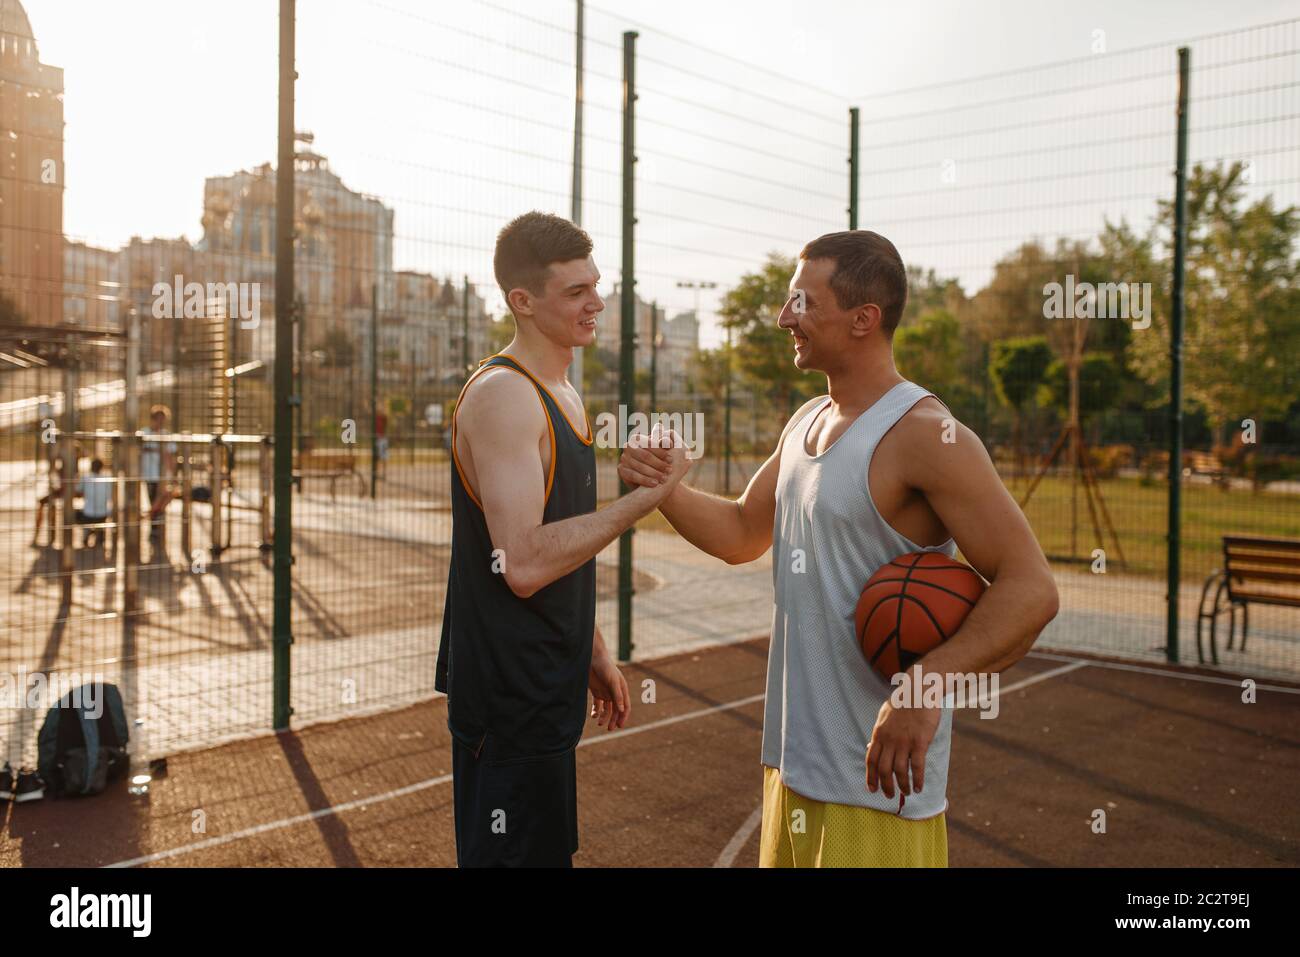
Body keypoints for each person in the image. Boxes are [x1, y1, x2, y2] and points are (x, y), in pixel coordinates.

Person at [618, 230, 1059, 868]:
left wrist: (925, 686)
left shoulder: (928, 434)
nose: (783, 317)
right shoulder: (807, 421)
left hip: (876, 787)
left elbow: (1031, 588)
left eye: (802, 302)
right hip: (792, 768)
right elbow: (743, 532)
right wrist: (664, 487)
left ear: (863, 319)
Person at [434, 211, 689, 868]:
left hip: (546, 689)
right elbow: (521, 561)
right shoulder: (505, 397)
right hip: (507, 701)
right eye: (576, 291)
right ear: (522, 301)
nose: (596, 302)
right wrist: (644, 500)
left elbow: (561, 542)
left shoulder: (565, 392)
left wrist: (591, 646)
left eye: (595, 285)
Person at [139, 405, 176, 544]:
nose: (161, 422)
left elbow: (171, 457)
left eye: (163, 420)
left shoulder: (167, 435)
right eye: (158, 419)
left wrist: (172, 476)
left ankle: (155, 530)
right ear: (153, 419)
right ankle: (155, 529)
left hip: (163, 477)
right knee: (154, 502)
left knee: (161, 502)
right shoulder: (144, 433)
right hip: (149, 475)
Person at [75, 457, 112, 549]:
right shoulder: (107, 478)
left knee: (81, 515)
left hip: (89, 513)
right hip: (103, 512)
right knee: (100, 522)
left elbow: (78, 491)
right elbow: (109, 495)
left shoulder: (86, 477)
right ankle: (99, 538)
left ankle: (86, 537)